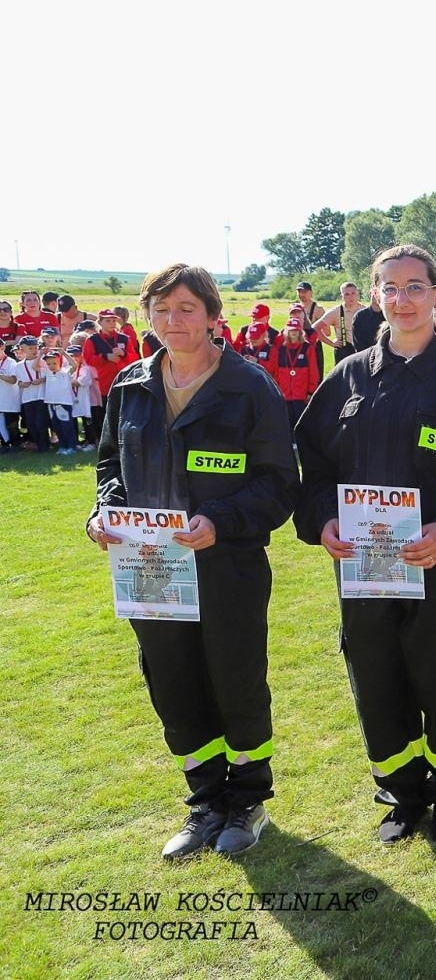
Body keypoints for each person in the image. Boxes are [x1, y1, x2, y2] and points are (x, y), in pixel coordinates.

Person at [294, 244, 436, 846]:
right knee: (376, 676)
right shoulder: (346, 377)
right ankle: (401, 792)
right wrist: (322, 523)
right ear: (374, 296)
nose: (403, 298)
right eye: (389, 287)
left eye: (416, 286)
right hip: (364, 570)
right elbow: (310, 469)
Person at [87, 263, 298, 858]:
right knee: (173, 683)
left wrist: (221, 522)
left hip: (225, 568)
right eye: (160, 309)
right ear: (145, 316)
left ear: (212, 316)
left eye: (185, 309)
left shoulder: (250, 387)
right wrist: (104, 514)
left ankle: (247, 801)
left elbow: (280, 484)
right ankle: (205, 800)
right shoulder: (130, 386)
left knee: (235, 681)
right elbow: (110, 469)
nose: (172, 321)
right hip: (150, 572)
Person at [270, 318, 320, 429]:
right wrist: (277, 390)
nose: (294, 332)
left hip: (301, 394)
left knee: (301, 422)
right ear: (286, 331)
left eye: (296, 330)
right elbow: (276, 372)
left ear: (300, 331)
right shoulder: (280, 349)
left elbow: (313, 372)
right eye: (291, 330)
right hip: (284, 393)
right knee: (286, 422)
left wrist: (310, 391)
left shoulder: (308, 348)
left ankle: (301, 444)